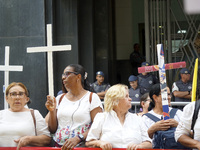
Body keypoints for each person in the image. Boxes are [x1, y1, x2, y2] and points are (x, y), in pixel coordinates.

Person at [45, 64, 103, 149]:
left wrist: (79, 138)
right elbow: (52, 129)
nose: (63, 77)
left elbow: (98, 126)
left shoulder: (92, 98)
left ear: (78, 77)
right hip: (59, 147)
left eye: (67, 74)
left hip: (81, 147)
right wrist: (52, 111)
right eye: (63, 75)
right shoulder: (59, 98)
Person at [85, 84, 152, 150]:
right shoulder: (102, 117)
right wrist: (99, 143)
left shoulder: (137, 119)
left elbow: (149, 143)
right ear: (115, 100)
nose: (130, 99)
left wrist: (139, 146)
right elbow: (89, 142)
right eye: (126, 96)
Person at [0, 82, 51, 149]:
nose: (17, 97)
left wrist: (29, 139)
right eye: (13, 94)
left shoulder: (34, 114)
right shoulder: (1, 114)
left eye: (21, 94)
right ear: (6, 98)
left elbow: (46, 139)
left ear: (26, 99)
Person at [142, 84, 183, 148]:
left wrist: (178, 125)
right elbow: (141, 140)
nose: (169, 97)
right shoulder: (146, 119)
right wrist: (152, 129)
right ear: (155, 98)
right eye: (166, 95)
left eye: (169, 94)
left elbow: (191, 134)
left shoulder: (178, 113)